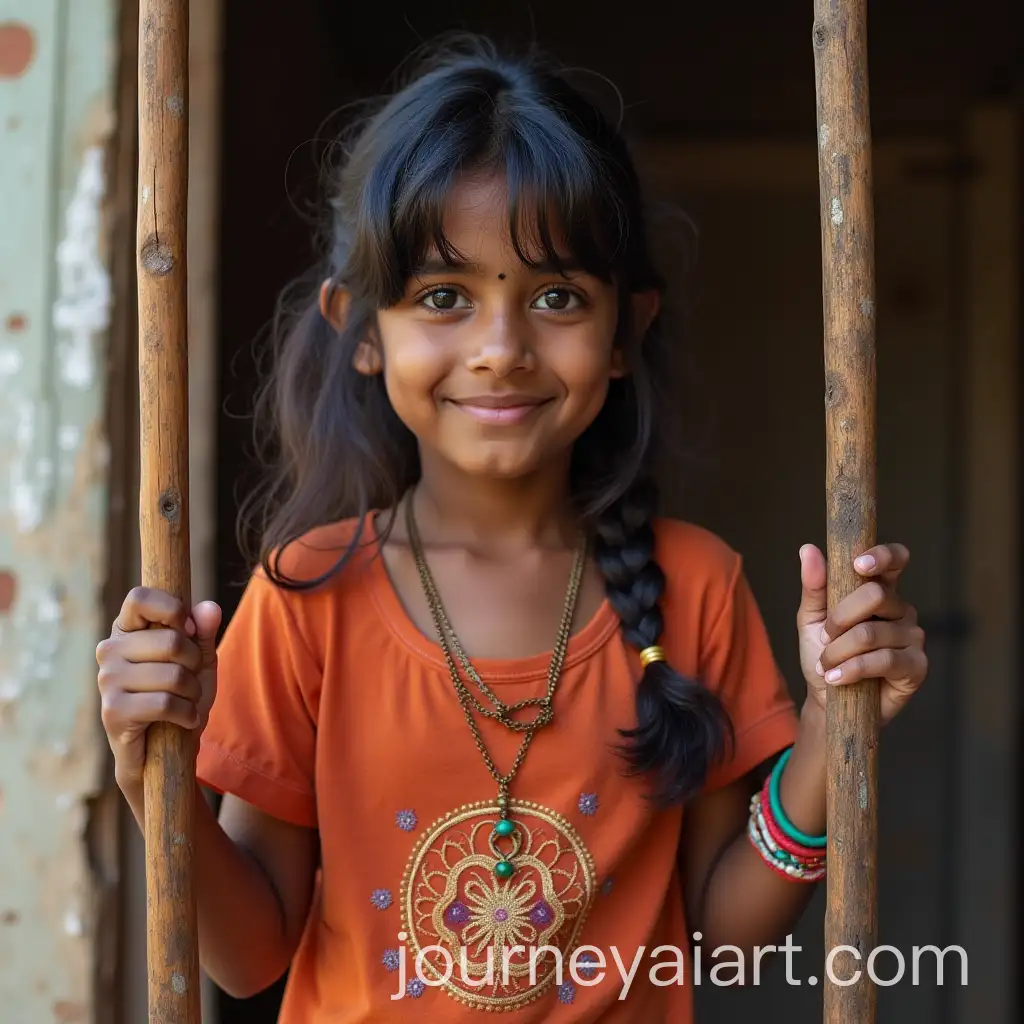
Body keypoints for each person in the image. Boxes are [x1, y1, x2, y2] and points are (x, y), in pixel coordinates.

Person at [96, 36, 928, 1023]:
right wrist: (153, 777)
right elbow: (248, 958)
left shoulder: (695, 585)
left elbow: (721, 943)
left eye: (556, 297)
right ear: (361, 330)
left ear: (624, 332)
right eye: (443, 297)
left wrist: (830, 732)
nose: (501, 349)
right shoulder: (306, 596)